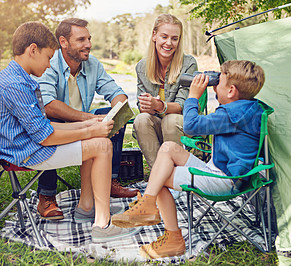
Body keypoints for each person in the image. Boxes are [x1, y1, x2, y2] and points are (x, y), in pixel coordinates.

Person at [112, 60, 266, 258]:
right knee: (168, 148)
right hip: (221, 171)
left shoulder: (231, 115)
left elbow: (191, 126)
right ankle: (149, 204)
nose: (215, 84)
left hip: (224, 181)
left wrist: (193, 96)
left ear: (231, 91)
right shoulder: (248, 108)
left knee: (160, 178)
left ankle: (174, 238)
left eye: (220, 81)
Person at [0, 21, 136, 243]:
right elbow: (45, 136)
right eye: (47, 57)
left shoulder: (17, 78)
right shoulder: (15, 84)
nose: (48, 64)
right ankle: (103, 224)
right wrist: (89, 130)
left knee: (97, 136)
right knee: (102, 145)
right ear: (33, 50)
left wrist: (89, 126)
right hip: (26, 153)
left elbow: (44, 128)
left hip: (30, 145)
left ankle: (86, 207)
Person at [35, 18, 138, 220]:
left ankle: (109, 181)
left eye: (89, 39)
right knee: (47, 122)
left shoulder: (92, 64)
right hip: (57, 122)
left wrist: (114, 113)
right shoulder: (49, 63)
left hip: (84, 121)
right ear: (63, 42)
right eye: (81, 39)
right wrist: (89, 119)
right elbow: (48, 104)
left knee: (111, 115)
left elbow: (117, 93)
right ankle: (46, 195)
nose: (88, 44)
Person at [134, 14, 198, 171]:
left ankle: (175, 177)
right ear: (154, 35)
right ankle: (161, 178)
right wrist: (146, 106)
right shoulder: (142, 66)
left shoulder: (188, 63)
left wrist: (160, 106)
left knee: (169, 120)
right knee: (141, 119)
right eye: (164, 36)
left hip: (182, 126)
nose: (169, 43)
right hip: (158, 126)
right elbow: (141, 105)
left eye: (174, 38)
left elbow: (183, 105)